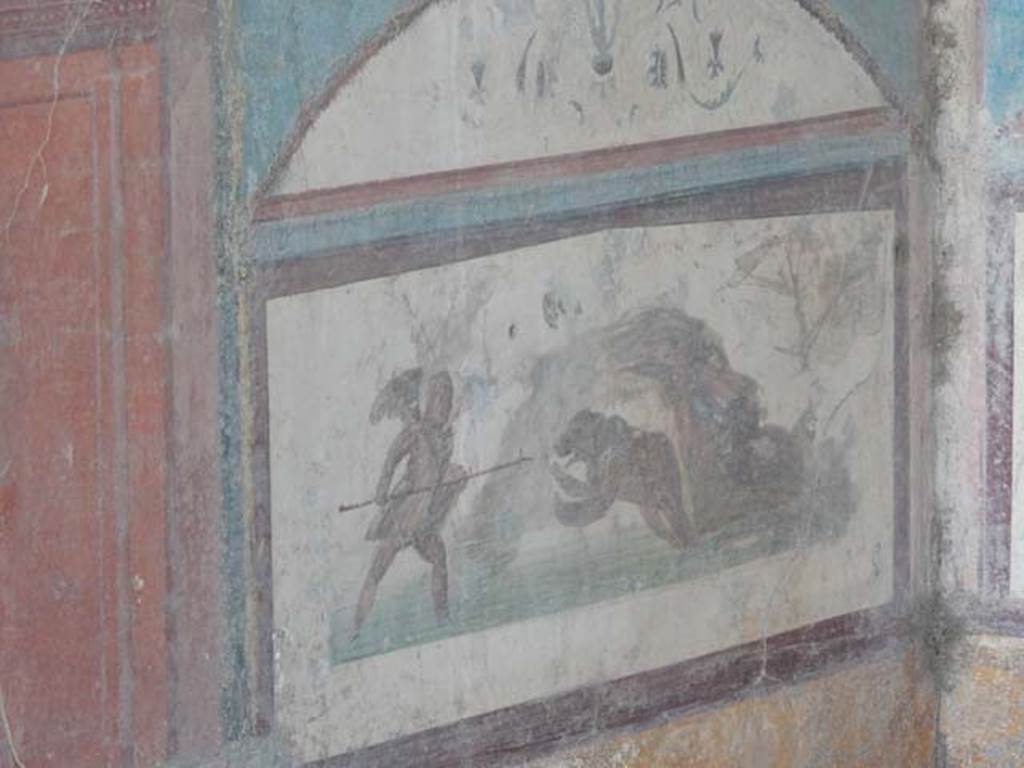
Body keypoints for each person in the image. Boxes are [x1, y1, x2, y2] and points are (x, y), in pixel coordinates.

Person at [353, 370, 468, 636]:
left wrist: (456, 478)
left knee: (439, 557)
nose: (444, 404)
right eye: (439, 397)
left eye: (448, 398)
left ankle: (443, 618)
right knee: (377, 570)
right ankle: (357, 628)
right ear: (429, 401)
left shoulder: (446, 439)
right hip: (404, 515)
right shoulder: (416, 431)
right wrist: (382, 486)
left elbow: (439, 476)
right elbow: (393, 456)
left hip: (425, 519)